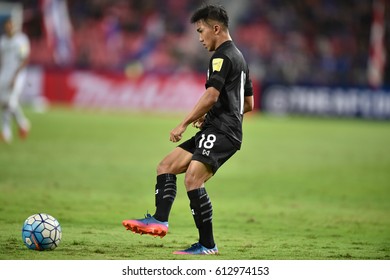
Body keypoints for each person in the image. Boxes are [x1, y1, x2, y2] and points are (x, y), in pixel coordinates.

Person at [123, 4, 254, 255]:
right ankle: (160, 220)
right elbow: (248, 104)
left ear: (216, 28)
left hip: (223, 131)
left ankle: (207, 245)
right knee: (166, 166)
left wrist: (184, 123)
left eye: (201, 30)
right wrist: (212, 117)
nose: (199, 38)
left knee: (193, 178)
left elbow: (211, 95)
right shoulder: (240, 57)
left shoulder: (221, 56)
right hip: (220, 128)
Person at [0, 17, 30, 143]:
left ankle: (6, 133)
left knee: (9, 103)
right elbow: (2, 60)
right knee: (4, 102)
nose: (9, 27)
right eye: (7, 25)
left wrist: (15, 76)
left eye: (11, 25)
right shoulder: (2, 42)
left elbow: (25, 59)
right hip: (5, 74)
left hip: (18, 75)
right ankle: (23, 123)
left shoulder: (21, 40)